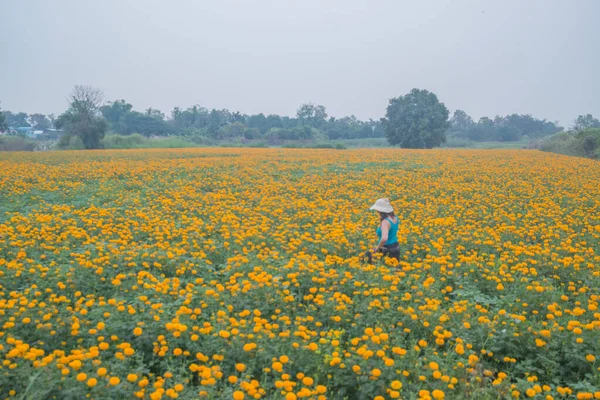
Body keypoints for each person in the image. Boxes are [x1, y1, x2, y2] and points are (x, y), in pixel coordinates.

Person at [365, 198, 400, 263]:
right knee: (394, 270)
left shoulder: (385, 221)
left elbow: (384, 238)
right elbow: (391, 230)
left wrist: (377, 248)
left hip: (387, 249)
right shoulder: (395, 217)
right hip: (396, 247)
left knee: (367, 257)